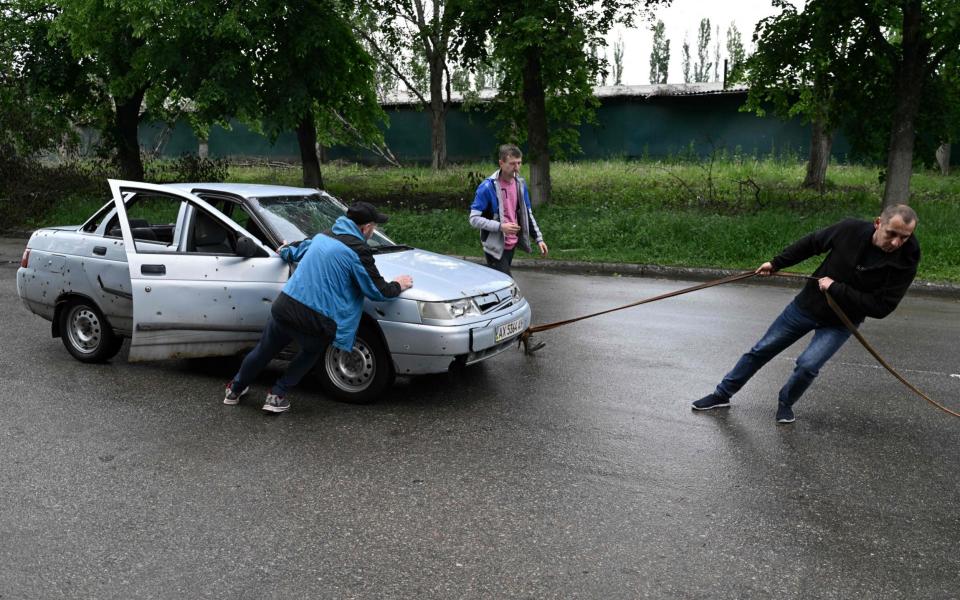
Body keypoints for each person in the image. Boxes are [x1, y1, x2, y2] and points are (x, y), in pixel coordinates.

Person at [692, 204, 920, 424]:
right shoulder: (850, 230)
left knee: (808, 365)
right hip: (806, 306)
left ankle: (785, 403)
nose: (896, 242)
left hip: (842, 321)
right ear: (878, 223)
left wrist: (835, 288)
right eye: (891, 233)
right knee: (762, 350)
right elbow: (812, 244)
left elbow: (882, 308)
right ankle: (722, 395)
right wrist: (776, 263)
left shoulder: (908, 256)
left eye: (904, 237)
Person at [223, 202, 413, 413]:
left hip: (286, 306)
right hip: (316, 320)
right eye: (374, 226)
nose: (374, 230)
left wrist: (284, 249)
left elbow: (294, 250)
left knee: (263, 351)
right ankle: (276, 395)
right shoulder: (359, 251)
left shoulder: (323, 236)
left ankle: (234, 390)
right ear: (365, 228)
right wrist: (399, 284)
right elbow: (377, 291)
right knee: (308, 354)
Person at [469, 144, 548, 275]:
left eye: (519, 163)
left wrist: (539, 239)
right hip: (494, 247)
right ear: (501, 163)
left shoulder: (520, 185)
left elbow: (527, 214)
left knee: (499, 286)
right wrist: (501, 227)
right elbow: (473, 219)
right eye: (512, 163)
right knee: (507, 283)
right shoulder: (487, 187)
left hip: (511, 243)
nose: (516, 168)